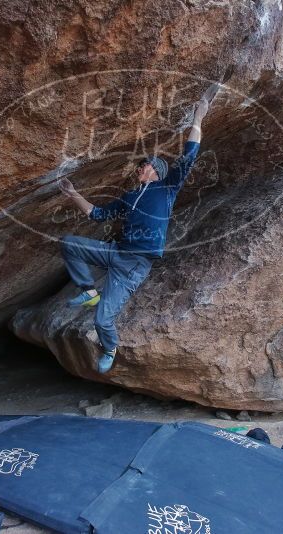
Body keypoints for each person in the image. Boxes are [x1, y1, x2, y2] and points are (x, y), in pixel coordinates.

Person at [57, 97, 210, 374]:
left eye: (145, 164)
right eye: (140, 165)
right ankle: (89, 290)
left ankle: (109, 347)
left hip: (135, 265)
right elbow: (98, 214)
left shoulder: (167, 189)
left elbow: (189, 156)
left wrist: (198, 119)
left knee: (102, 321)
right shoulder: (129, 197)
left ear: (158, 172)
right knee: (69, 243)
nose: (139, 168)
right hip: (116, 251)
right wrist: (73, 194)